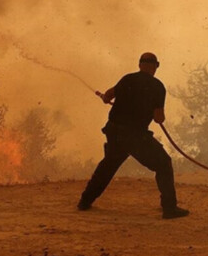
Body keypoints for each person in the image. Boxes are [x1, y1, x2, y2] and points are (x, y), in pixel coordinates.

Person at [77, 52, 189, 219]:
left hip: (115, 132)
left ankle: (85, 201)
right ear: (155, 66)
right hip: (135, 136)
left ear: (139, 65)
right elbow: (159, 118)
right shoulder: (157, 87)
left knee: (108, 165)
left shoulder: (127, 79)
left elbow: (108, 95)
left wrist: (105, 98)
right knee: (164, 163)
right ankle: (169, 208)